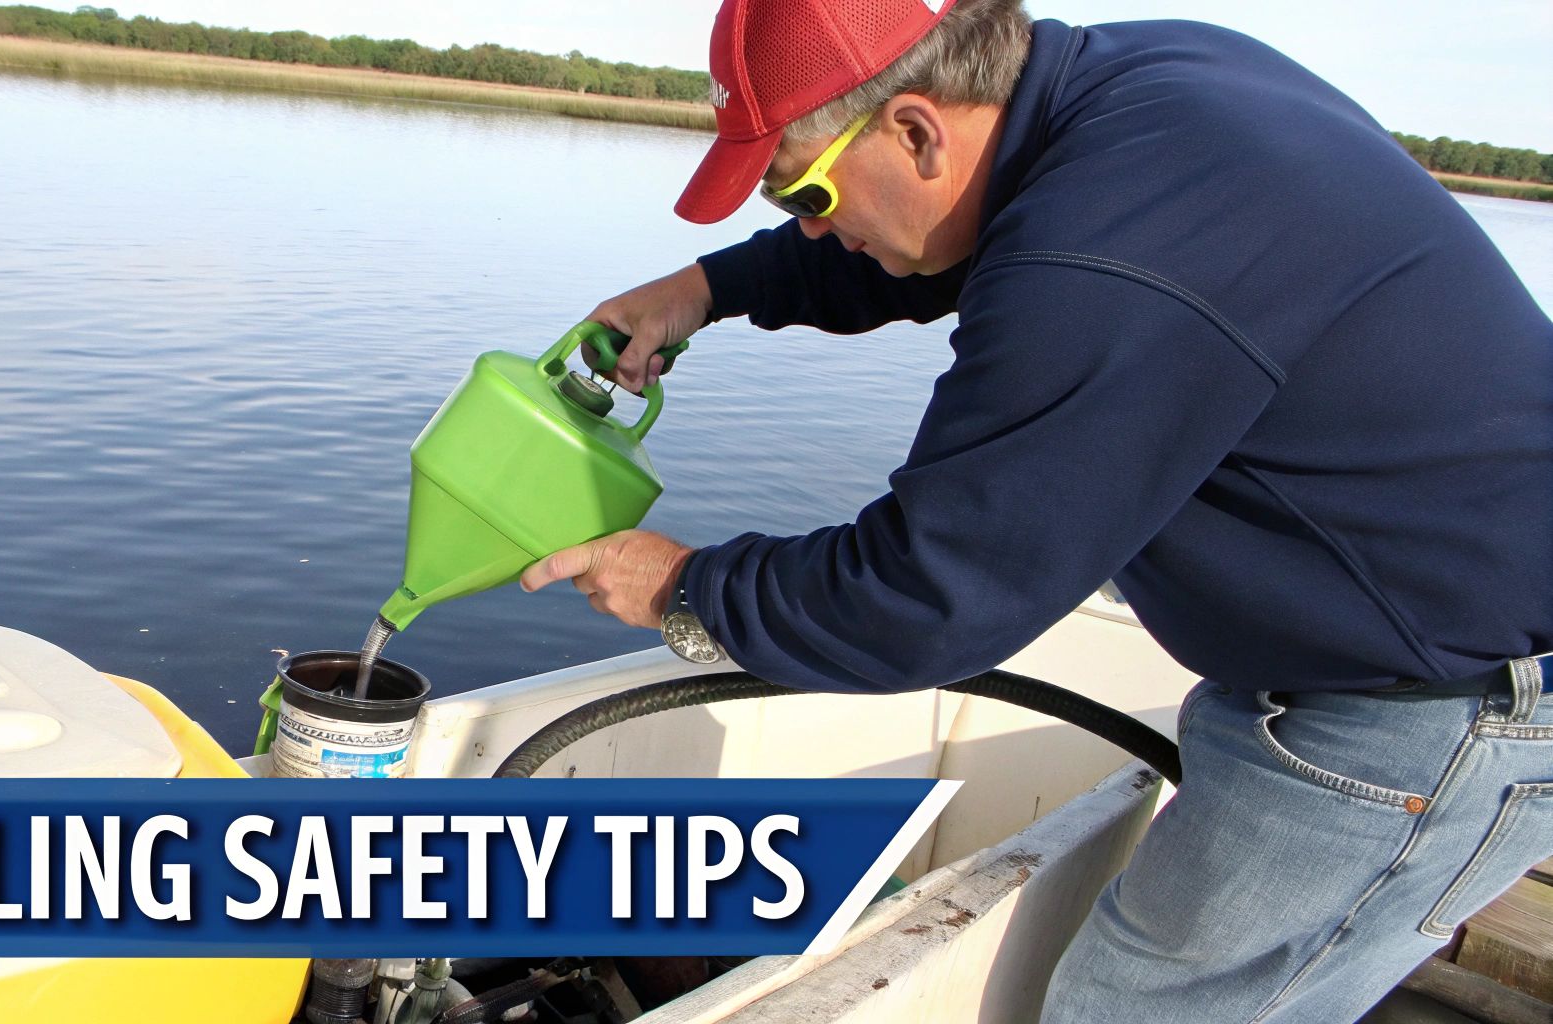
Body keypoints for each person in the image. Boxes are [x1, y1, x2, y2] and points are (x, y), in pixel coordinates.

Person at [518, 0, 1553, 1020]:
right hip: (1373, 655)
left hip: (1432, 710)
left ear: (916, 125)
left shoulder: (1100, 257)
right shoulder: (1129, 90)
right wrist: (705, 286)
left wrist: (680, 584)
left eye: (801, 195)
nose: (814, 229)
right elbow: (933, 235)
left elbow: (921, 596)